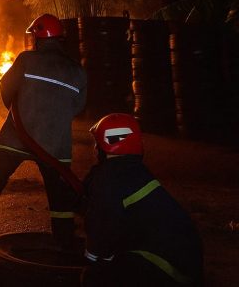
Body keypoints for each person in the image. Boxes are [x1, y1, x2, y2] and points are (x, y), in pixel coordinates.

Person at [0, 13, 87, 246]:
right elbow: (78, 108)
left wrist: (18, 113)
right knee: (59, 192)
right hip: (55, 145)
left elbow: (6, 88)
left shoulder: (26, 60)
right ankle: (63, 238)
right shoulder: (78, 72)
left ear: (38, 38)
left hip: (15, 137)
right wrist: (54, 120)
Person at [81, 113, 203, 286]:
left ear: (107, 144)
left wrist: (92, 262)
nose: (95, 149)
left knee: (95, 278)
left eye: (97, 143)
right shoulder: (134, 170)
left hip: (164, 269)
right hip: (186, 266)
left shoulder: (108, 177)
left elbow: (102, 226)